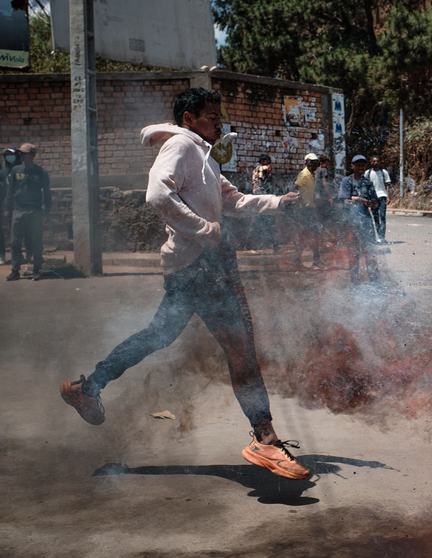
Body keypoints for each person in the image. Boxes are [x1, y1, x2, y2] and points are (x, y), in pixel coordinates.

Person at [59, 88, 310, 480]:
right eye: (211, 116)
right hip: (202, 266)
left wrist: (278, 202)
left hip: (197, 266)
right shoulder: (181, 146)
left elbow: (234, 201)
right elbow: (158, 193)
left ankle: (87, 387)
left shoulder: (204, 156)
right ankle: (266, 440)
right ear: (189, 118)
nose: (219, 122)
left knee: (159, 335)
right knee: (240, 348)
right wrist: (206, 231)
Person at [5, 143, 50, 281]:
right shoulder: (15, 171)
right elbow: (10, 190)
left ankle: (37, 270)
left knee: (36, 241)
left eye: (25, 153)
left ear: (32, 155)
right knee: (15, 242)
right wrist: (7, 208)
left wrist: (46, 211)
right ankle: (15, 270)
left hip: (34, 211)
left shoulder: (41, 172)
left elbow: (47, 193)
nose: (22, 156)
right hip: (18, 210)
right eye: (21, 154)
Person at [339, 154, 380, 283]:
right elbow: (344, 200)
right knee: (353, 253)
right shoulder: (347, 181)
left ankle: (374, 281)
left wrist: (372, 203)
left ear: (365, 167)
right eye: (357, 165)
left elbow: (375, 201)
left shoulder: (368, 182)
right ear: (352, 166)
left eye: (363, 165)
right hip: (351, 222)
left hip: (366, 222)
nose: (360, 167)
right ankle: (355, 281)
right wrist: (358, 199)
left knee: (369, 252)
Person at [293, 153, 321, 267]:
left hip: (311, 208)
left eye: (315, 162)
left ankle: (313, 259)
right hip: (303, 210)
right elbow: (294, 189)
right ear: (306, 162)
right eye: (311, 161)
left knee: (311, 234)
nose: (314, 163)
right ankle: (311, 259)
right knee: (308, 234)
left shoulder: (314, 173)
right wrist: (301, 202)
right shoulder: (304, 174)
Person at [367, 155, 392, 243]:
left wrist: (387, 196)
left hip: (382, 196)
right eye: (374, 161)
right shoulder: (368, 173)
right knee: (376, 217)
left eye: (377, 161)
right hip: (373, 198)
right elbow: (366, 186)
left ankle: (382, 237)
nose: (376, 163)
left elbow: (387, 185)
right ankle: (379, 235)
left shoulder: (383, 172)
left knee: (382, 217)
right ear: (371, 162)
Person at [0, 149, 17, 266]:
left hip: (18, 204)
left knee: (18, 231)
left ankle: (20, 256)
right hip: (4, 204)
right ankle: (2, 255)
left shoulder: (21, 169)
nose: (9, 158)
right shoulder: (2, 173)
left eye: (12, 155)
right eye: (7, 156)